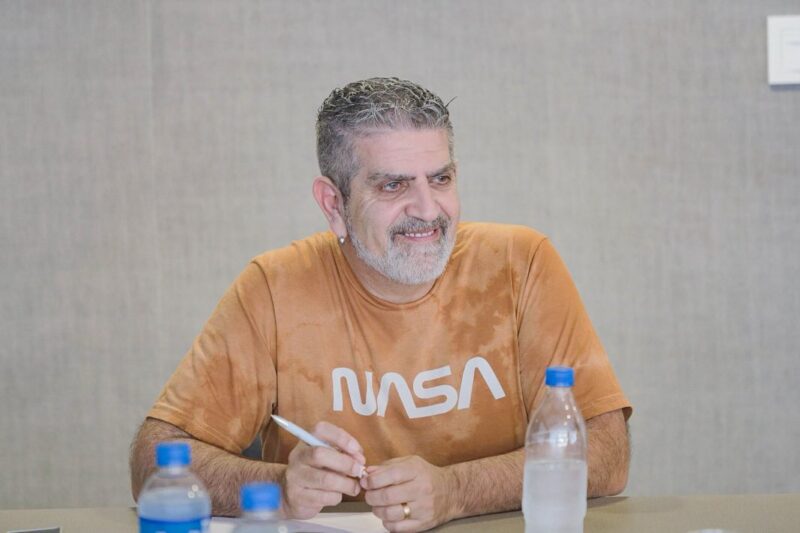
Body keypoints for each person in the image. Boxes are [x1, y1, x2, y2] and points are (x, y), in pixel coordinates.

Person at [130, 77, 632, 532]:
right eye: (393, 185)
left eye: (440, 179)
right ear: (334, 204)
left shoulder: (521, 262)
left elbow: (608, 452)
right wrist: (279, 486)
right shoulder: (274, 287)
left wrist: (456, 491)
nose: (428, 210)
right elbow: (153, 461)